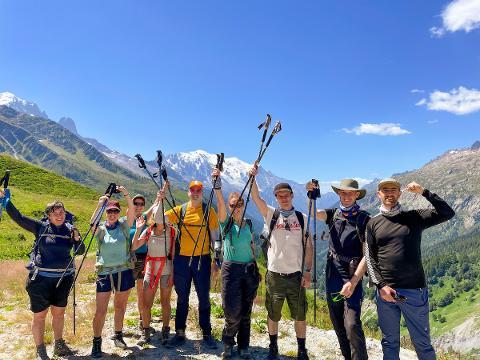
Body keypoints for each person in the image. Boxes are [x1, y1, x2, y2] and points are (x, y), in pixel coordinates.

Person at [365, 178, 455, 360]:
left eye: (393, 189)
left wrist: (423, 191)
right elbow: (369, 257)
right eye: (385, 190)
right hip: (386, 292)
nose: (389, 193)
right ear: (379, 194)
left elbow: (447, 212)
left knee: (422, 342)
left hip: (414, 290)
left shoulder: (415, 217)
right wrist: (381, 286)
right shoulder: (373, 223)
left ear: (399, 193)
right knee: (389, 341)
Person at [0, 189, 84, 360]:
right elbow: (19, 217)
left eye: (62, 212)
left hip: (63, 279)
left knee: (59, 313)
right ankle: (40, 350)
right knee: (40, 315)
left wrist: (76, 238)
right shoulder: (40, 227)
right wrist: (6, 201)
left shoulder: (69, 229)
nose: (60, 215)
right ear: (48, 215)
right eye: (55, 213)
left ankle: (59, 345)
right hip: (40, 280)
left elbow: (80, 251)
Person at [250, 165, 313, 360]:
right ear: (276, 197)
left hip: (296, 275)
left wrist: (308, 271)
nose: (283, 198)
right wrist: (252, 178)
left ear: (292, 196)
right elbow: (255, 198)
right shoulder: (271, 214)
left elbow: (309, 246)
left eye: (286, 194)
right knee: (273, 313)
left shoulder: (302, 218)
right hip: (274, 275)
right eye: (279, 195)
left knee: (300, 315)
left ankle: (301, 350)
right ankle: (273, 347)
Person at [307, 179, 369, 360]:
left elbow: (367, 255)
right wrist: (310, 194)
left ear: (357, 195)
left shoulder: (364, 219)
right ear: (339, 194)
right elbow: (313, 213)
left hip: (352, 275)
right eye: (343, 193)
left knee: (352, 323)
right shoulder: (334, 214)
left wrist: (353, 281)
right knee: (337, 322)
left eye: (350, 193)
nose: (346, 196)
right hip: (332, 273)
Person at [164, 180, 219, 349]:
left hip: (202, 259)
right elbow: (158, 219)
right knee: (182, 298)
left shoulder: (208, 210)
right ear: (188, 192)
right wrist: (161, 197)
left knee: (204, 298)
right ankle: (180, 333)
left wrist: (216, 260)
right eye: (192, 190)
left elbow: (216, 237)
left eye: (199, 190)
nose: (195, 193)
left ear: (202, 193)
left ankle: (207, 334)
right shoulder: (180, 210)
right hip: (181, 260)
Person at [212, 168, 260, 359]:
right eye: (233, 204)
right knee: (232, 311)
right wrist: (217, 185)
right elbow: (220, 204)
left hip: (249, 269)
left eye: (240, 203)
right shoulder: (226, 223)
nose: (236, 207)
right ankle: (227, 342)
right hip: (231, 270)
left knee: (246, 310)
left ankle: (243, 346)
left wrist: (256, 268)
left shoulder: (248, 224)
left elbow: (251, 246)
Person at [90, 186, 136, 358]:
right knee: (100, 310)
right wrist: (99, 204)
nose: (112, 214)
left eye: (115, 211)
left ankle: (118, 335)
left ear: (118, 212)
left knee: (120, 307)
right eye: (109, 211)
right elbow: (92, 223)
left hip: (123, 270)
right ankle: (96, 343)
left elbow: (131, 210)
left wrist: (126, 193)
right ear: (106, 213)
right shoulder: (100, 229)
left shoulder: (124, 226)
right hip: (104, 272)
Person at [131, 188, 176, 346]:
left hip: (166, 271)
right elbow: (135, 246)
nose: (161, 224)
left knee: (165, 302)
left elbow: (174, 254)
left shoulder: (172, 232)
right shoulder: (148, 231)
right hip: (150, 270)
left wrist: (173, 274)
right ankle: (146, 330)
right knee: (146, 303)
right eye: (159, 221)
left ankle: (165, 330)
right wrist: (138, 230)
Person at [126, 194, 157, 331]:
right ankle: (118, 328)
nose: (138, 206)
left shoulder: (144, 217)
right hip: (129, 258)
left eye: (141, 204)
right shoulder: (126, 220)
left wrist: (161, 193)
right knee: (125, 292)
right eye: (136, 203)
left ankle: (141, 320)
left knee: (141, 291)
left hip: (144, 258)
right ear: (131, 205)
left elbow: (155, 204)